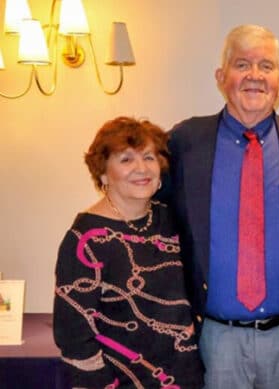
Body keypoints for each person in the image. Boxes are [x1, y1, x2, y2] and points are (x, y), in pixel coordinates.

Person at [162, 25, 279, 388]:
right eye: (242, 64)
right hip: (215, 338)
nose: (255, 75)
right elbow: (157, 227)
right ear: (222, 77)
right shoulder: (184, 143)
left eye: (266, 66)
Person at [53, 117, 204, 389]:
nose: (141, 168)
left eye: (149, 157)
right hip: (119, 381)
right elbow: (73, 333)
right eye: (126, 160)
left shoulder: (172, 219)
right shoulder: (85, 238)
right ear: (102, 172)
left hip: (185, 377)